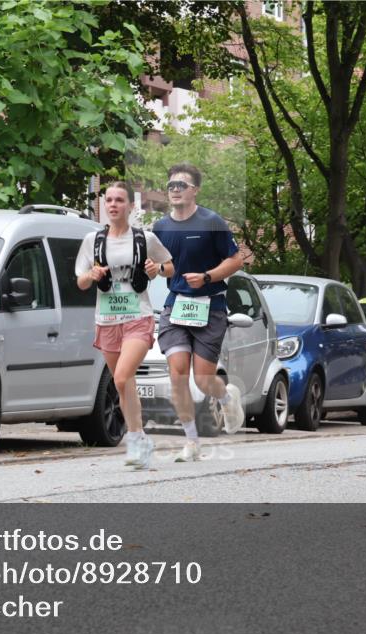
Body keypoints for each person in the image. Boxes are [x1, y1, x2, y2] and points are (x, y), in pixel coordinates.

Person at [75, 181, 172, 469]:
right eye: (109, 200)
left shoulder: (145, 239)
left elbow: (170, 266)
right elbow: (80, 282)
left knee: (120, 377)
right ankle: (139, 438)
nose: (113, 205)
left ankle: (135, 438)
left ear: (130, 205)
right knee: (125, 383)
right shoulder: (93, 241)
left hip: (137, 318)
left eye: (119, 200)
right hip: (107, 320)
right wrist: (92, 275)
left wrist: (157, 269)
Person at [153, 163, 244, 462]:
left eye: (181, 185)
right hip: (176, 305)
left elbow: (236, 260)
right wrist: (156, 269)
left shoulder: (211, 222)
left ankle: (226, 397)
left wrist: (207, 277)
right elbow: (165, 267)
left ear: (195, 190)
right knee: (177, 374)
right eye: (171, 185)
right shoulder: (160, 228)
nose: (175, 190)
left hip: (210, 306)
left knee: (203, 380)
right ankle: (191, 441)